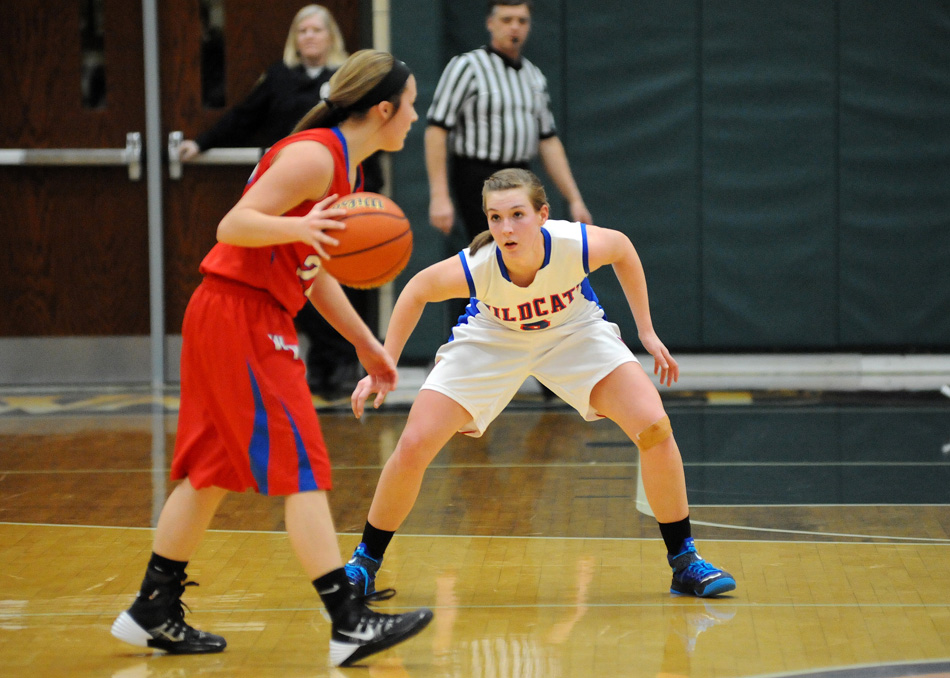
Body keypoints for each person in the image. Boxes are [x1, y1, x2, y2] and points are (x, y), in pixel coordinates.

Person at [110, 50, 432, 668]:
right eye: (411, 105)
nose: (414, 117)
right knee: (302, 467)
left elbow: (308, 272)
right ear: (385, 109)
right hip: (241, 315)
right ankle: (348, 621)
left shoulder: (347, 174)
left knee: (208, 473)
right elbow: (234, 225)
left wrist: (367, 342)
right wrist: (299, 229)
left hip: (236, 312)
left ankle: (153, 607)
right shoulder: (314, 157)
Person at [343, 168, 736, 601]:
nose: (506, 228)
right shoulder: (478, 266)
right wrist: (385, 363)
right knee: (415, 443)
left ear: (543, 214)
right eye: (495, 218)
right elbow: (416, 289)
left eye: (517, 215)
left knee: (654, 427)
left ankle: (685, 562)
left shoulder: (575, 244)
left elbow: (622, 248)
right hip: (492, 337)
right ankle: (364, 563)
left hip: (573, 331)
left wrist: (646, 330)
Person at [179, 4, 382, 399]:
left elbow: (365, 146)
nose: (309, 37)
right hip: (294, 202)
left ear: (331, 38)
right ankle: (322, 365)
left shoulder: (343, 86)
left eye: (316, 30)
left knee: (341, 276)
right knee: (301, 279)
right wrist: (201, 141)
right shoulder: (278, 79)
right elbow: (243, 116)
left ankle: (342, 363)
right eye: (302, 30)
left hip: (346, 196)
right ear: (295, 38)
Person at [424, 0, 592, 242]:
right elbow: (437, 130)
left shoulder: (533, 76)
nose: (514, 27)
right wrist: (439, 196)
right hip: (477, 175)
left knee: (526, 247)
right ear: (490, 23)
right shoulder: (467, 67)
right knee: (489, 249)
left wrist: (574, 199)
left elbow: (548, 141)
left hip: (521, 173)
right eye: (506, 20)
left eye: (522, 21)